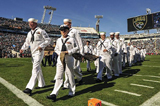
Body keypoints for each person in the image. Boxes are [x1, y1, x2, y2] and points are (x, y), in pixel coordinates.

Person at [47, 25, 79, 102]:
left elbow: (77, 48)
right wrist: (60, 53)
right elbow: (56, 49)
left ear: (68, 30)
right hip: (60, 59)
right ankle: (54, 93)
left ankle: (71, 91)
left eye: (65, 30)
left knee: (70, 76)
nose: (63, 31)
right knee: (58, 76)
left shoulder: (72, 39)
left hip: (69, 59)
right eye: (61, 30)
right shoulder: (58, 40)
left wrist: (68, 52)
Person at [20, 18, 51, 95]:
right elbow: (27, 43)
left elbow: (48, 40)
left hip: (39, 52)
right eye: (29, 23)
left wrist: (41, 46)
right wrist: (22, 49)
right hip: (33, 53)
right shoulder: (29, 33)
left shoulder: (41, 31)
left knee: (35, 69)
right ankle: (41, 84)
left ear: (35, 23)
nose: (30, 24)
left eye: (32, 23)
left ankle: (29, 87)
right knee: (38, 68)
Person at [63, 19, 84, 90]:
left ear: (70, 24)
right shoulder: (64, 31)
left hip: (75, 52)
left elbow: (79, 42)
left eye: (67, 24)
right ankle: (66, 84)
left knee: (75, 68)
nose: (65, 25)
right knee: (67, 68)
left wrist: (81, 52)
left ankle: (79, 78)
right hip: (67, 52)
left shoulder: (74, 31)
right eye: (64, 23)